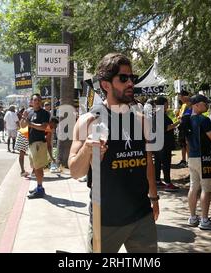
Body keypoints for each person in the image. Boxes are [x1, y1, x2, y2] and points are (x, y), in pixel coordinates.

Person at [68, 53, 159, 253]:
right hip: (106, 220)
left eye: (132, 78)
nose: (130, 83)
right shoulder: (89, 121)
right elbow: (75, 172)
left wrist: (154, 197)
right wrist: (87, 149)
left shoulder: (141, 120)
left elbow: (147, 161)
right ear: (106, 84)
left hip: (141, 216)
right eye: (123, 78)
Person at [186, 94, 211, 230]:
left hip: (192, 156)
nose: (206, 106)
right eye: (204, 103)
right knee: (206, 189)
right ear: (196, 105)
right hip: (204, 158)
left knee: (193, 187)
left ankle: (192, 217)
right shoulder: (204, 120)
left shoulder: (186, 120)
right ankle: (204, 220)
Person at [21, 94, 51, 199]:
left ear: (41, 101)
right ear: (31, 102)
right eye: (35, 100)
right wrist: (24, 117)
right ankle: (39, 187)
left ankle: (40, 188)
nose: (37, 101)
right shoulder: (29, 113)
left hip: (39, 143)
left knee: (38, 167)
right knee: (35, 167)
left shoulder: (44, 113)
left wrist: (30, 124)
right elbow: (23, 125)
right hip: (32, 142)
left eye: (39, 100)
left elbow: (44, 127)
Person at [154, 96, 180, 192]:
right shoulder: (160, 114)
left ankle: (157, 180)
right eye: (167, 103)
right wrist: (177, 123)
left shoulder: (157, 113)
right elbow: (166, 128)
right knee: (165, 163)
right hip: (164, 143)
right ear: (163, 104)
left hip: (158, 142)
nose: (168, 105)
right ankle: (168, 183)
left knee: (158, 162)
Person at [176, 90, 192, 168]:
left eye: (181, 96)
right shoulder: (183, 105)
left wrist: (181, 117)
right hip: (182, 126)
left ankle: (189, 161)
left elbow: (188, 115)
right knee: (182, 144)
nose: (180, 98)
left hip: (187, 127)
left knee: (187, 143)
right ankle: (183, 160)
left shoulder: (189, 105)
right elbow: (181, 115)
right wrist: (179, 116)